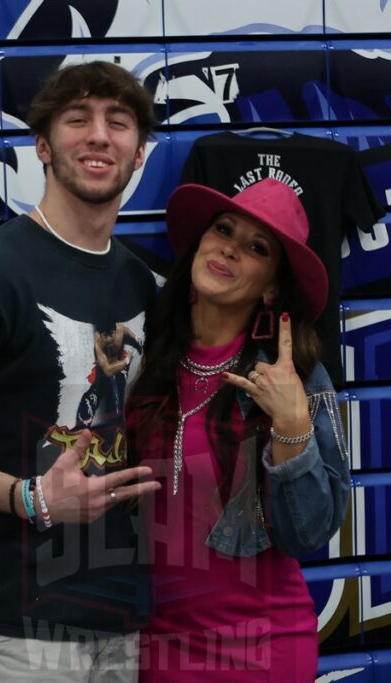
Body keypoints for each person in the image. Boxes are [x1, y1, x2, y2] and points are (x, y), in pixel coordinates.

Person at [0, 61, 162, 682]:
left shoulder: (142, 282)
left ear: (140, 152)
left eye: (118, 123)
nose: (99, 136)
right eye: (77, 120)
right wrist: (29, 497)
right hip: (12, 625)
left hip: (122, 611)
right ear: (42, 146)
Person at [126, 179, 352, 680]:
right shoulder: (146, 357)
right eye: (223, 229)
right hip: (153, 645)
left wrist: (291, 426)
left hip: (263, 648)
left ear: (272, 285)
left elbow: (309, 533)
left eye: (256, 247)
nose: (228, 246)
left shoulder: (293, 375)